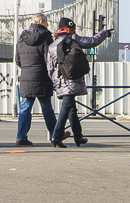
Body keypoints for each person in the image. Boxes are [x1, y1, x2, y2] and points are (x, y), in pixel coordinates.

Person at [46, 17, 112, 147]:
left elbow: (50, 67)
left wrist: (55, 81)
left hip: (61, 79)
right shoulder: (74, 38)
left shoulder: (53, 45)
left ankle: (78, 136)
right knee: (67, 106)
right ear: (70, 29)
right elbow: (92, 41)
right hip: (73, 78)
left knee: (71, 107)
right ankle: (56, 136)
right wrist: (105, 33)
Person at [13, 12, 57, 146]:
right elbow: (49, 59)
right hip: (42, 77)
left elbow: (17, 60)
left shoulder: (22, 37)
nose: (48, 24)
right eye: (47, 22)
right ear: (41, 22)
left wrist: (27, 68)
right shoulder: (46, 37)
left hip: (26, 77)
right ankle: (55, 135)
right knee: (47, 108)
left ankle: (21, 136)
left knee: (25, 108)